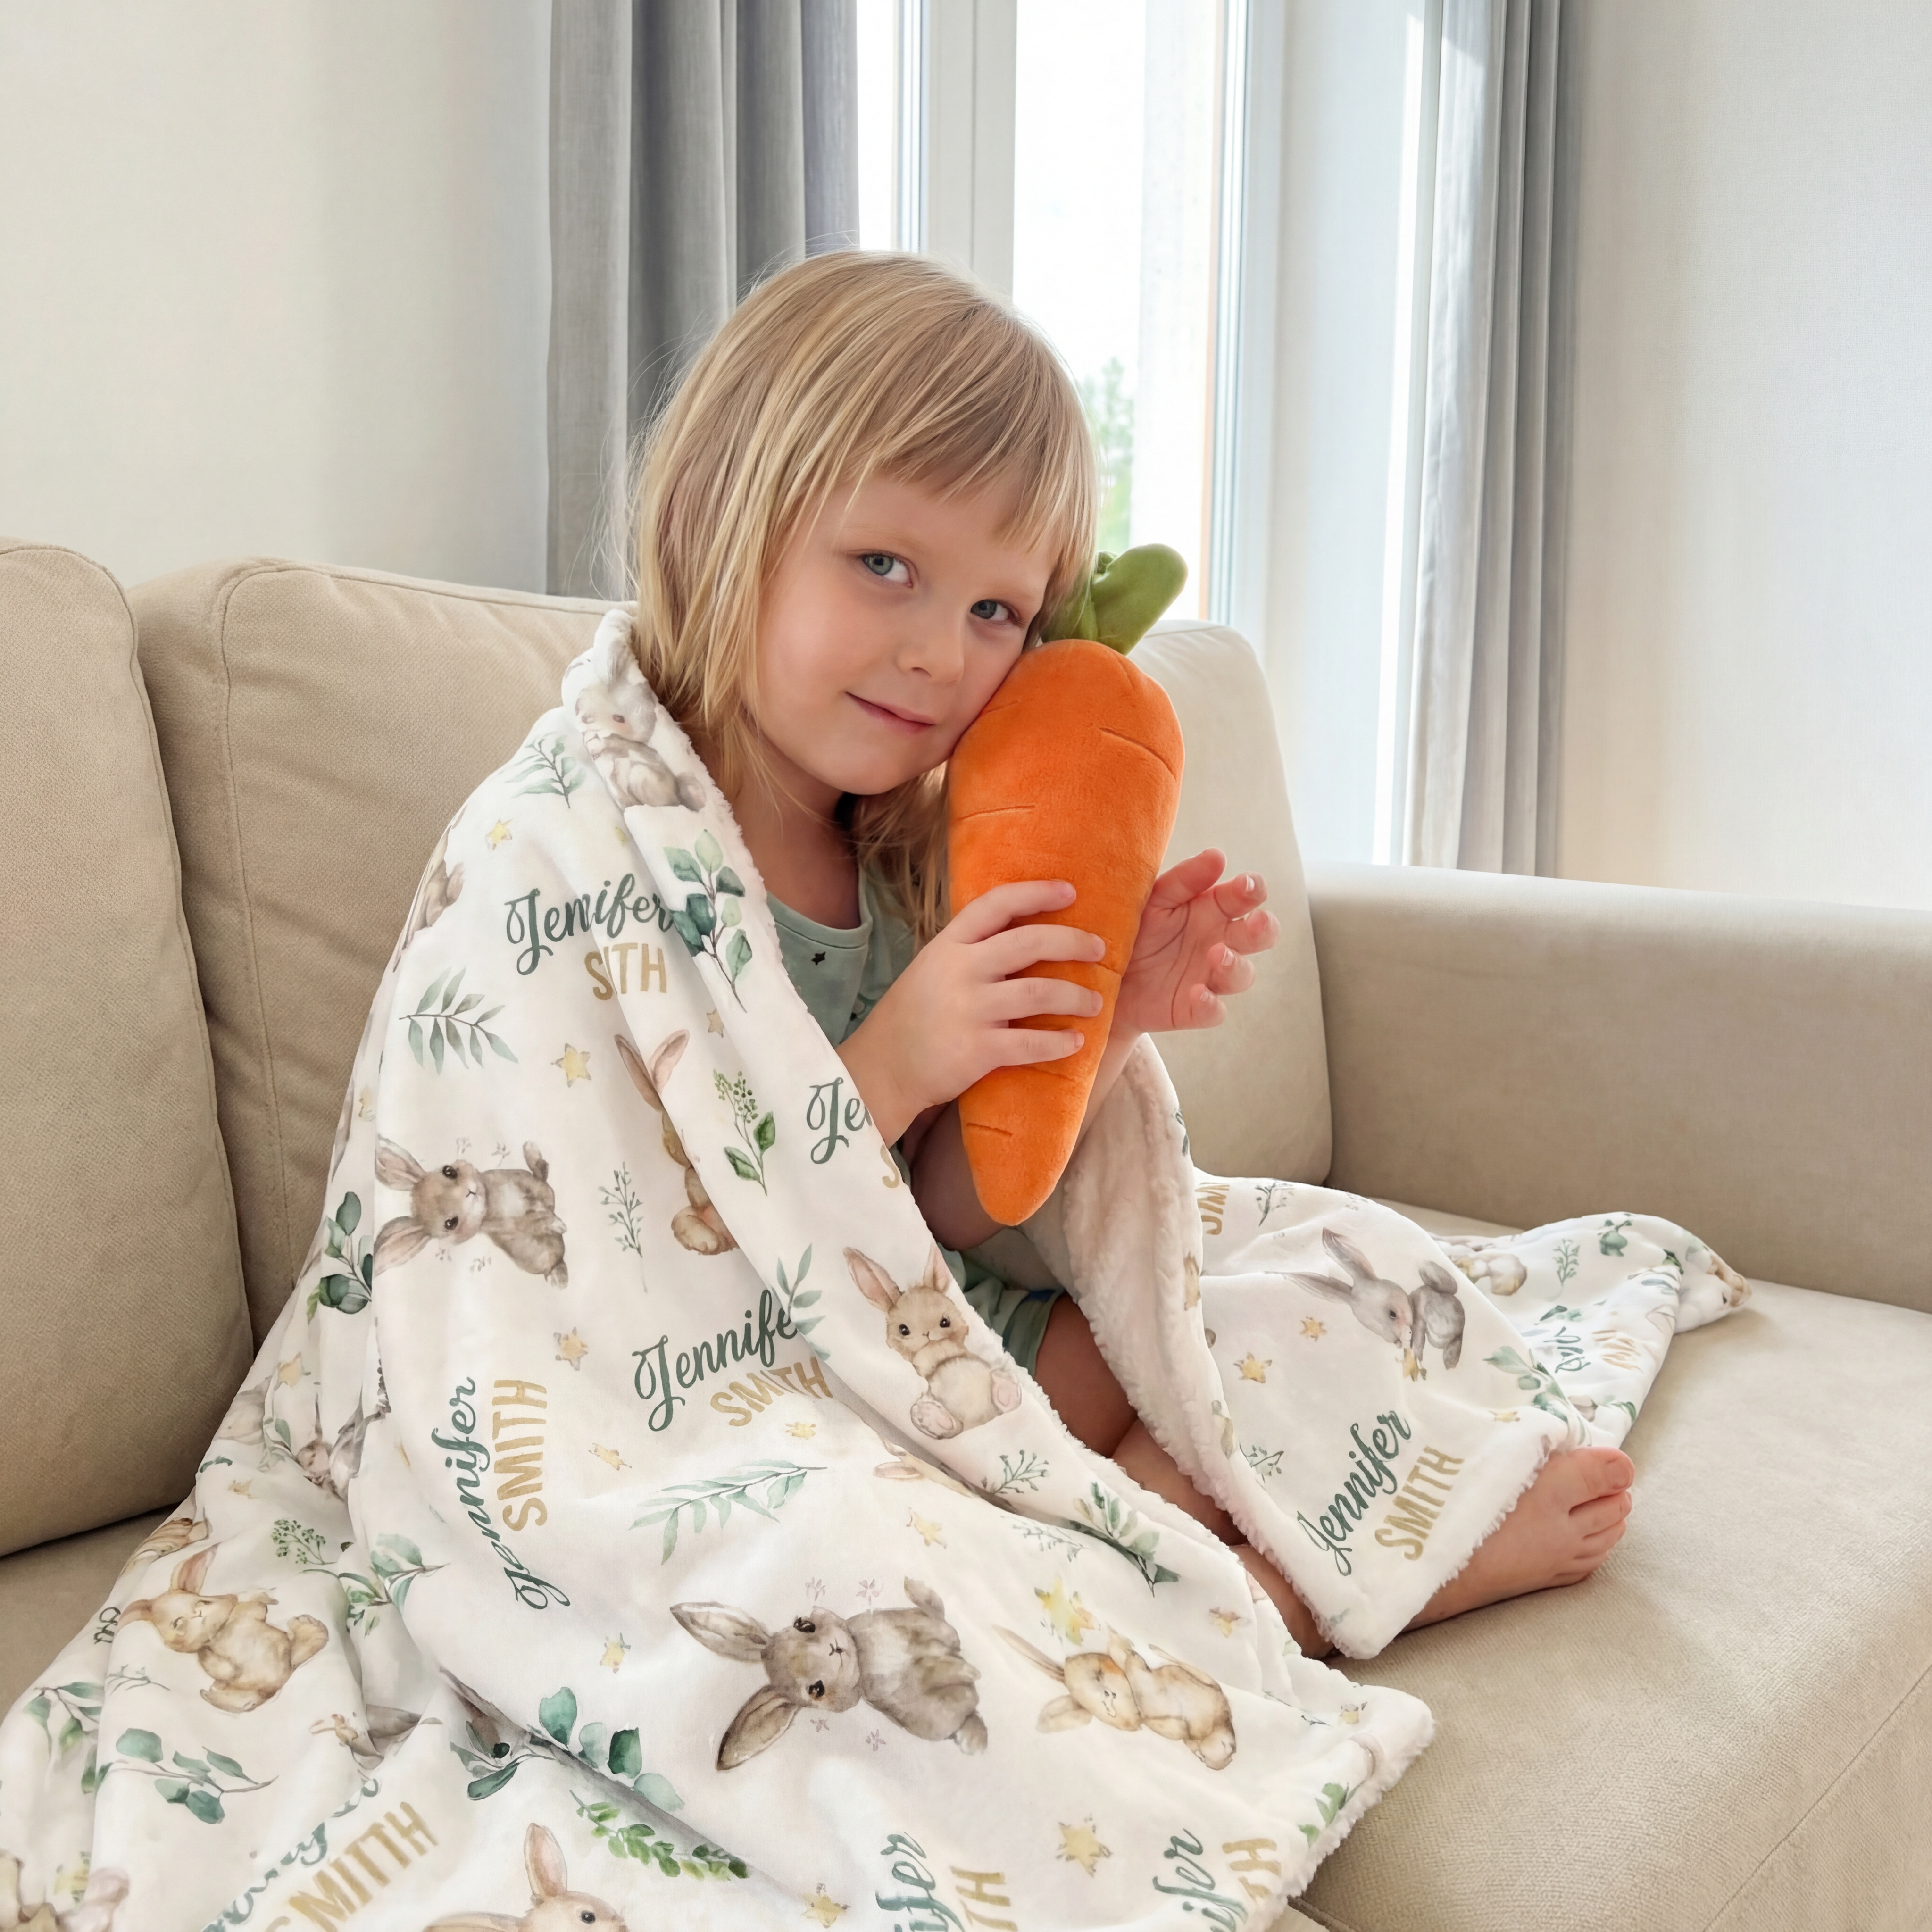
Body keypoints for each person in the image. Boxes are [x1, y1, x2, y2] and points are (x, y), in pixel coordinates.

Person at [631, 249, 1634, 1657]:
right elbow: (661, 1226)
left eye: (996, 613)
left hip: (957, 1336)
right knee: (845, 1579)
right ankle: (1292, 1580)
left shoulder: (915, 842)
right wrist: (903, 1048)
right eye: (884, 567)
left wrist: (1096, 1028)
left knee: (1318, 1287)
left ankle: (1252, 1529)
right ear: (719, 516)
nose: (938, 654)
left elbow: (951, 1206)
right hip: (773, 1387)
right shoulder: (608, 846)